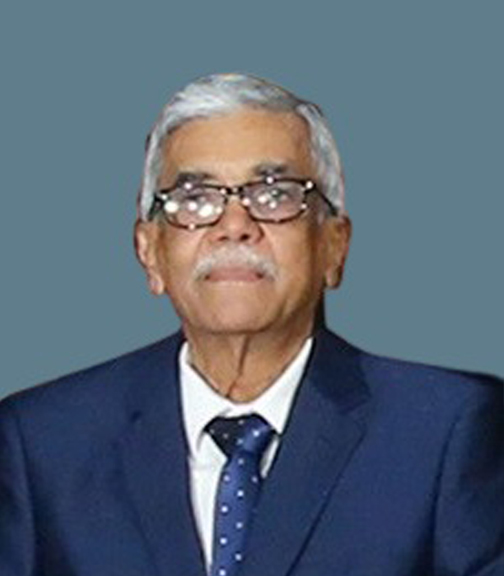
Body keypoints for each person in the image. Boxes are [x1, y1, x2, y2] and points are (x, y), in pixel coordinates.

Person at [0, 73, 502, 576]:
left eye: (274, 195)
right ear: (150, 253)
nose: (234, 225)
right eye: (195, 198)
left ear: (334, 246)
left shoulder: (446, 431)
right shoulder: (43, 442)